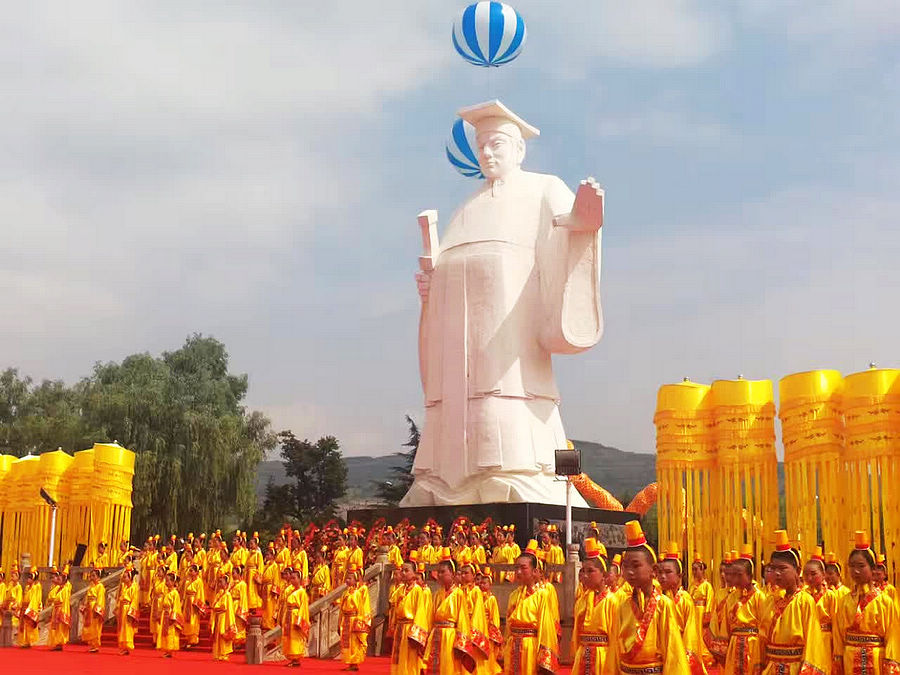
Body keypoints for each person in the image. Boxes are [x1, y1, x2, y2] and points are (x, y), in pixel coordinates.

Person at [405, 99, 604, 508]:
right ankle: (447, 479)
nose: (487, 154)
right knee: (460, 400)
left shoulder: (544, 188)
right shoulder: (467, 206)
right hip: (460, 343)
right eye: (481, 147)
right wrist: (434, 282)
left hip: (509, 336)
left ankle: (513, 470)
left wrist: (585, 224)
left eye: (495, 144)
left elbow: (571, 234)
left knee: (505, 395)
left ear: (518, 149)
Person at [607, 521, 688, 674]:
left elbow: (672, 651)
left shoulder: (664, 605)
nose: (629, 572)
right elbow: (614, 651)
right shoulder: (622, 605)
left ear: (654, 570)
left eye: (636, 566)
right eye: (626, 566)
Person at [759, 531, 829, 674]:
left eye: (783, 568)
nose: (777, 573)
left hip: (794, 667)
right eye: (774, 568)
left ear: (797, 571)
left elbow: (812, 642)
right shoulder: (770, 600)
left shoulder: (805, 601)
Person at [832, 531, 900, 674]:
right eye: (851, 566)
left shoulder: (885, 601)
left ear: (873, 568)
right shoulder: (844, 601)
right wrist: (838, 661)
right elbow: (838, 636)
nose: (855, 571)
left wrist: (891, 666)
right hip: (849, 660)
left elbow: (893, 638)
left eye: (861, 566)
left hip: (876, 661)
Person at [658, 544, 706, 674]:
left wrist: (685, 658)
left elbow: (690, 632)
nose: (662, 576)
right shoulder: (658, 599)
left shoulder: (686, 599)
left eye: (668, 572)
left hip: (679, 650)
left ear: (680, 575)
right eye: (660, 572)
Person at [425, 551, 474, 675]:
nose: (439, 575)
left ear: (452, 574)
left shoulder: (458, 594)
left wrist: (461, 643)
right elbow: (430, 619)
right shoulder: (436, 594)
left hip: (450, 637)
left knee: (449, 668)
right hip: (436, 635)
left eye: (443, 572)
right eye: (438, 572)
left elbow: (463, 620)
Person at [570, 538, 613, 675]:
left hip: (604, 658)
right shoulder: (581, 601)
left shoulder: (613, 601)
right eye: (583, 571)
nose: (585, 575)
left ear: (604, 575)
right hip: (582, 655)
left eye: (591, 571)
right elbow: (576, 636)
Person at [723, 545, 765, 675]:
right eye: (732, 575)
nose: (735, 579)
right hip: (734, 644)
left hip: (753, 646)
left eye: (739, 575)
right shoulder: (731, 597)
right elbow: (725, 625)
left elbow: (764, 626)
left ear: (750, 575)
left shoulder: (759, 596)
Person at [391, 560, 430, 675]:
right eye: (402, 570)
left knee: (410, 659)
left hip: (410, 629)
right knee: (399, 658)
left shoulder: (417, 590)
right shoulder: (400, 590)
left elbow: (420, 612)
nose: (403, 573)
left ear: (414, 573)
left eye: (407, 570)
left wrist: (416, 635)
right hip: (400, 627)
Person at [339, 564, 371, 671]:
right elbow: (341, 609)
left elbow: (360, 609)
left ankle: (354, 663)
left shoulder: (357, 593)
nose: (347, 580)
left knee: (354, 643)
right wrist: (339, 622)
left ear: (355, 580)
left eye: (350, 578)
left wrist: (359, 622)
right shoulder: (345, 593)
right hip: (346, 619)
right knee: (347, 642)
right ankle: (350, 662)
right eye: (346, 578)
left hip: (353, 620)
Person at [689, 554, 715, 671]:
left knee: (702, 634)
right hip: (693, 612)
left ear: (702, 570)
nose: (694, 572)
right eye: (693, 569)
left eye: (696, 569)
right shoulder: (692, 585)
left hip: (701, 611)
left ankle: (705, 657)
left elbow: (710, 601)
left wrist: (707, 615)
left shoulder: (707, 586)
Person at [282, 568, 311, 668]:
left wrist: (299, 621)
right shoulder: (290, 590)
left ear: (299, 579)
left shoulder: (302, 592)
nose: (292, 580)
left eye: (294, 578)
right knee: (289, 637)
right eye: (291, 578)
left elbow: (303, 608)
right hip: (289, 614)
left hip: (295, 616)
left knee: (295, 638)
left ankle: (296, 659)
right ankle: (292, 658)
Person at [210, 572, 237, 662]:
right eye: (219, 582)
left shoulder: (228, 595)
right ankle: (217, 653)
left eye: (221, 582)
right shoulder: (219, 594)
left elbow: (229, 609)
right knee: (217, 635)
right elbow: (214, 605)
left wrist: (229, 622)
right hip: (218, 616)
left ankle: (224, 653)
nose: (220, 584)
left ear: (226, 583)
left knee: (223, 634)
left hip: (224, 617)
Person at [157, 571, 182, 657]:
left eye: (168, 581)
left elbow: (176, 606)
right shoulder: (167, 592)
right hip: (165, 613)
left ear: (173, 582)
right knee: (165, 632)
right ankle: (166, 649)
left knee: (170, 632)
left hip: (170, 614)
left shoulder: (175, 593)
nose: (166, 583)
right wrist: (160, 613)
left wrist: (173, 617)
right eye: (166, 581)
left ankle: (170, 649)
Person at [81, 567, 106, 652]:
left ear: (98, 577)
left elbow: (100, 599)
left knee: (95, 627)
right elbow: (87, 597)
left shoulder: (100, 586)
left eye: (93, 576)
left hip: (94, 607)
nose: (91, 578)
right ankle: (91, 645)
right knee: (90, 626)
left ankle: (95, 645)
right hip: (89, 607)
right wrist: (84, 605)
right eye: (91, 576)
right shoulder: (91, 586)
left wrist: (97, 610)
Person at [116, 564, 139, 654]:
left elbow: (135, 601)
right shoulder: (125, 587)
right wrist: (117, 607)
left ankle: (127, 646)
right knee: (122, 627)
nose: (123, 579)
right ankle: (123, 646)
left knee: (127, 628)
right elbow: (121, 598)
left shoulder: (134, 588)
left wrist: (131, 613)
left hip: (128, 609)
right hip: (122, 608)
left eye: (125, 577)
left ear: (130, 578)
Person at [181, 564, 206, 649]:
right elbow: (184, 593)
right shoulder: (188, 582)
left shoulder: (199, 582)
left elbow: (200, 593)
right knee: (187, 620)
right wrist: (183, 601)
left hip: (193, 603)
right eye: (190, 571)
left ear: (196, 572)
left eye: (192, 571)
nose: (190, 572)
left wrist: (197, 604)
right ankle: (188, 639)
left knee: (193, 620)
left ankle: (193, 639)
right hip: (187, 602)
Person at [47, 566, 72, 650]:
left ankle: (59, 643)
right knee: (55, 627)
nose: (58, 580)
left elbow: (65, 602)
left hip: (60, 610)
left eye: (60, 579)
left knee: (60, 628)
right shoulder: (58, 589)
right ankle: (56, 643)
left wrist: (62, 613)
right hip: (56, 609)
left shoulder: (65, 589)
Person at [18, 569, 42, 648]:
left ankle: (29, 641)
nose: (28, 579)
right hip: (24, 607)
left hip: (29, 608)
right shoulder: (27, 587)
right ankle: (25, 641)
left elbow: (34, 599)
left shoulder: (35, 588)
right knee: (23, 625)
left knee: (28, 625)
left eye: (30, 578)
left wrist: (29, 610)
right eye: (28, 577)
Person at [261, 545, 282, 631]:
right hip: (265, 587)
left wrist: (274, 590)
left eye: (269, 555)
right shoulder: (266, 566)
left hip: (270, 588)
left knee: (270, 606)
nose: (267, 557)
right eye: (266, 555)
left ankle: (270, 625)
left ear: (273, 556)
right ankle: (264, 623)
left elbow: (276, 578)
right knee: (265, 606)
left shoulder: (275, 566)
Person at [230, 564, 250, 645]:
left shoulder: (242, 584)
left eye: (234, 573)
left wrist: (241, 609)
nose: (233, 575)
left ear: (239, 574)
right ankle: (233, 638)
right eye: (232, 573)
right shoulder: (232, 584)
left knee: (239, 623)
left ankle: (239, 640)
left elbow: (243, 598)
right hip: (232, 604)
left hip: (238, 604)